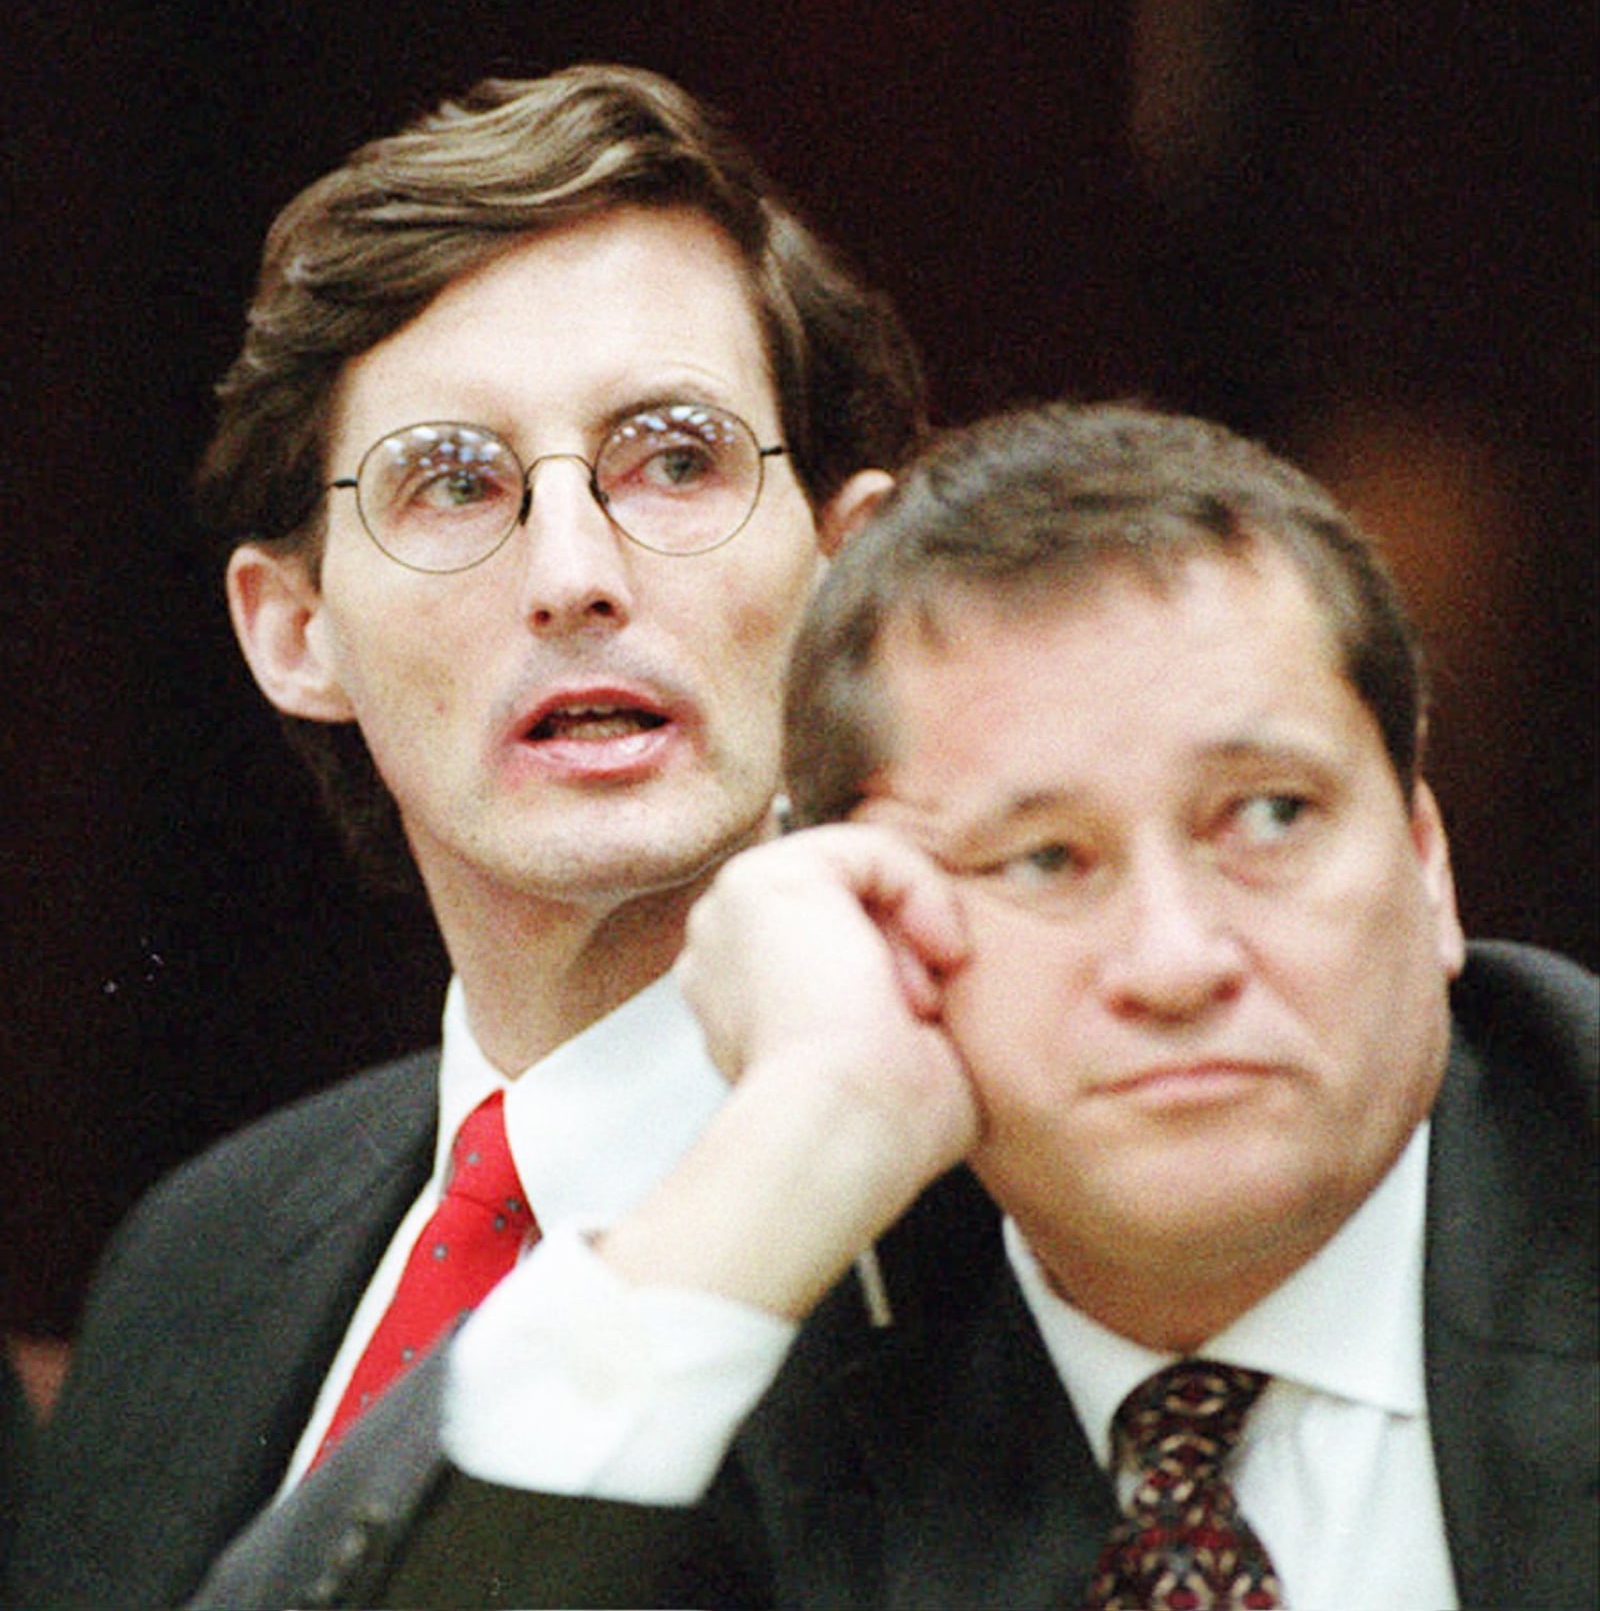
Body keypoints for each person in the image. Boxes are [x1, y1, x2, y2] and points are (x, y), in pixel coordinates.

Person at [202, 401, 1595, 1608]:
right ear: (861, 909)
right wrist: (804, 1128)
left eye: (1272, 816)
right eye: (1045, 857)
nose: (1177, 959)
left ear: (1427, 860)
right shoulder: (770, 1318)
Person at [2, 63, 924, 1610]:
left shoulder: (1031, 1222)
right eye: (451, 482)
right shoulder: (199, 1260)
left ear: (849, 571)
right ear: (294, 631)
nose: (574, 571)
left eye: (676, 456)